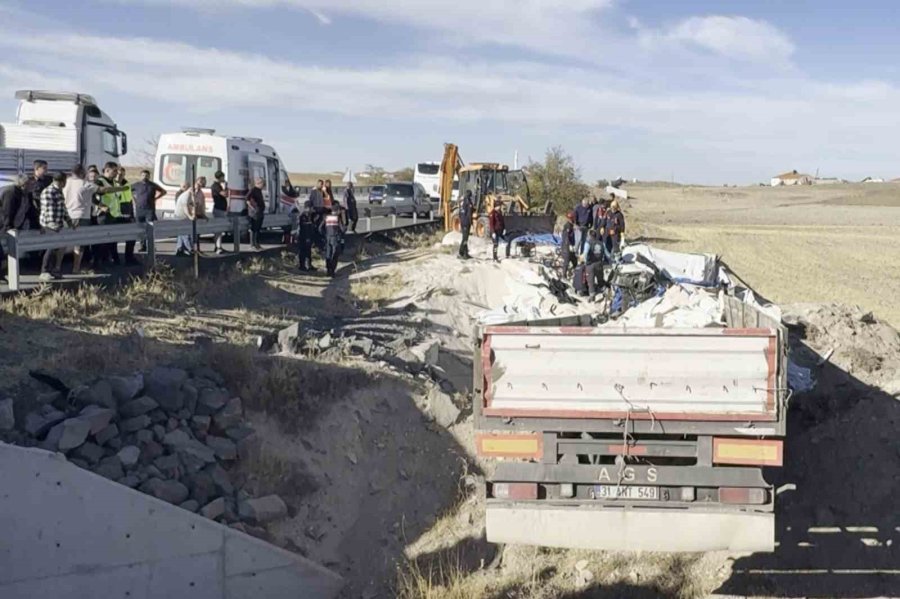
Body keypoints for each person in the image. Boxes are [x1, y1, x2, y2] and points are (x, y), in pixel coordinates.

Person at [96, 162, 137, 265]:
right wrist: (101, 206)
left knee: (112, 240)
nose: (116, 173)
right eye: (114, 171)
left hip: (115, 215)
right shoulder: (100, 181)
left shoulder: (115, 182)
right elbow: (94, 195)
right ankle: (99, 263)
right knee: (103, 241)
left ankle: (113, 260)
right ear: (107, 170)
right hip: (103, 215)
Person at [62, 165, 98, 274]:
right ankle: (76, 268)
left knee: (62, 243)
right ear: (82, 173)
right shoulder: (85, 184)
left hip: (67, 215)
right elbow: (102, 190)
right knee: (79, 244)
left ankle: (57, 267)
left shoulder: (65, 182)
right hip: (82, 216)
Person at [38, 172, 71, 281]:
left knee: (57, 247)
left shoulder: (58, 191)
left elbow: (63, 207)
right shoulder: (49, 192)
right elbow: (49, 209)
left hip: (58, 224)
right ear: (61, 181)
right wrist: (53, 224)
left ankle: (53, 270)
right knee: (50, 247)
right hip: (49, 225)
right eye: (65, 181)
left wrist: (68, 220)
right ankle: (44, 270)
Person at [131, 169, 166, 252]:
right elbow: (128, 191)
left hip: (149, 210)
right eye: (143, 175)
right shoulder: (136, 185)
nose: (144, 177)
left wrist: (156, 198)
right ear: (140, 176)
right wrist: (134, 199)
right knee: (140, 229)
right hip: (139, 210)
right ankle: (142, 246)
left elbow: (164, 192)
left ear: (149, 176)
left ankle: (151, 246)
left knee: (150, 228)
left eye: (146, 176)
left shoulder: (152, 185)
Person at [0, 175, 27, 280]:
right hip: (3, 225)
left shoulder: (21, 193)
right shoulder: (10, 193)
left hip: (6, 226)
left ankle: (2, 274)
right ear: (22, 184)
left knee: (3, 254)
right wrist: (7, 226)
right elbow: (7, 211)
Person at [22, 160, 52, 231]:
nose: (46, 171)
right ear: (36, 169)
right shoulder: (30, 181)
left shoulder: (49, 180)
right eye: (44, 168)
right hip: (35, 211)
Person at [580, 228, 607, 301]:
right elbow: (607, 254)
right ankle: (604, 291)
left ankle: (592, 295)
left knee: (590, 281)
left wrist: (582, 260)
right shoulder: (602, 243)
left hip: (590, 265)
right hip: (599, 264)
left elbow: (585, 254)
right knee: (600, 279)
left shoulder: (588, 243)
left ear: (589, 236)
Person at [320, 205, 346, 277]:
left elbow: (320, 228)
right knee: (335, 255)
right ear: (337, 211)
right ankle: (332, 271)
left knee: (328, 254)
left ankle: (328, 270)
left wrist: (325, 234)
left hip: (328, 238)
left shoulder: (326, 217)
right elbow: (343, 229)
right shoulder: (338, 218)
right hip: (335, 238)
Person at [209, 171, 229, 254]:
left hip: (222, 209)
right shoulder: (216, 186)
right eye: (223, 177)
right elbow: (224, 194)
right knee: (218, 229)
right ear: (220, 177)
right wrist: (227, 187)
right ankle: (218, 247)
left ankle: (218, 246)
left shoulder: (219, 186)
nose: (223, 179)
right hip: (219, 209)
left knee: (220, 230)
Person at [173, 182, 194, 256]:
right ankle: (189, 248)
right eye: (183, 186)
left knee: (181, 233)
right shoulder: (181, 194)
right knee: (184, 233)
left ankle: (179, 248)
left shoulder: (188, 194)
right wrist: (189, 215)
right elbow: (184, 205)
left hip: (184, 215)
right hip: (181, 215)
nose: (184, 188)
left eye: (186, 186)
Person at [296, 200, 317, 272]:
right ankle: (302, 266)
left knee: (308, 251)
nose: (312, 209)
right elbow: (303, 229)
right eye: (311, 208)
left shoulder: (309, 216)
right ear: (308, 208)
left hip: (309, 237)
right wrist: (306, 237)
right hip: (303, 237)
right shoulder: (303, 216)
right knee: (302, 251)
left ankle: (309, 265)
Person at [246, 177, 266, 250]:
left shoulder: (259, 191)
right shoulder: (253, 190)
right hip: (254, 213)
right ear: (258, 183)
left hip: (260, 212)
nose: (263, 185)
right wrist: (252, 207)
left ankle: (257, 243)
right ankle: (252, 244)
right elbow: (247, 198)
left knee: (258, 229)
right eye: (262, 183)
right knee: (254, 228)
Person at [457, 189, 475, 260]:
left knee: (466, 238)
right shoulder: (467, 202)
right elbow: (468, 214)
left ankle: (465, 253)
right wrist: (469, 223)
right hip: (466, 223)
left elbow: (460, 213)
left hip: (464, 222)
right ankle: (461, 252)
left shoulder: (463, 202)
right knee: (465, 238)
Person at [560, 210, 577, 278]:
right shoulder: (568, 226)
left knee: (574, 260)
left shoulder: (571, 226)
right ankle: (564, 275)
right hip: (566, 246)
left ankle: (576, 273)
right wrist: (569, 244)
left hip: (570, 246)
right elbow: (566, 236)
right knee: (566, 261)